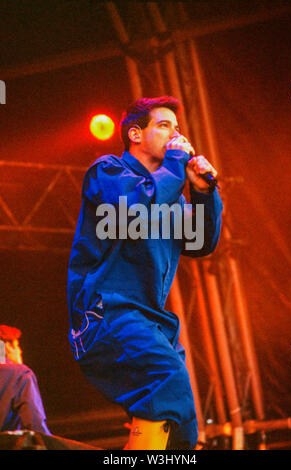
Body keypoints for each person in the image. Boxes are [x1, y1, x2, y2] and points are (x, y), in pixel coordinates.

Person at [67, 96, 223, 450]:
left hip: (151, 319)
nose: (175, 136)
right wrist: (178, 161)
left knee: (182, 424)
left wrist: (203, 193)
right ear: (135, 134)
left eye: (177, 129)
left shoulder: (169, 195)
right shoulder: (108, 172)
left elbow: (201, 243)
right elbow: (135, 210)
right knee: (167, 381)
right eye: (164, 126)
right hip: (106, 312)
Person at [0, 325, 51, 434]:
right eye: (18, 346)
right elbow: (35, 424)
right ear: (7, 346)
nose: (20, 351)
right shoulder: (20, 374)